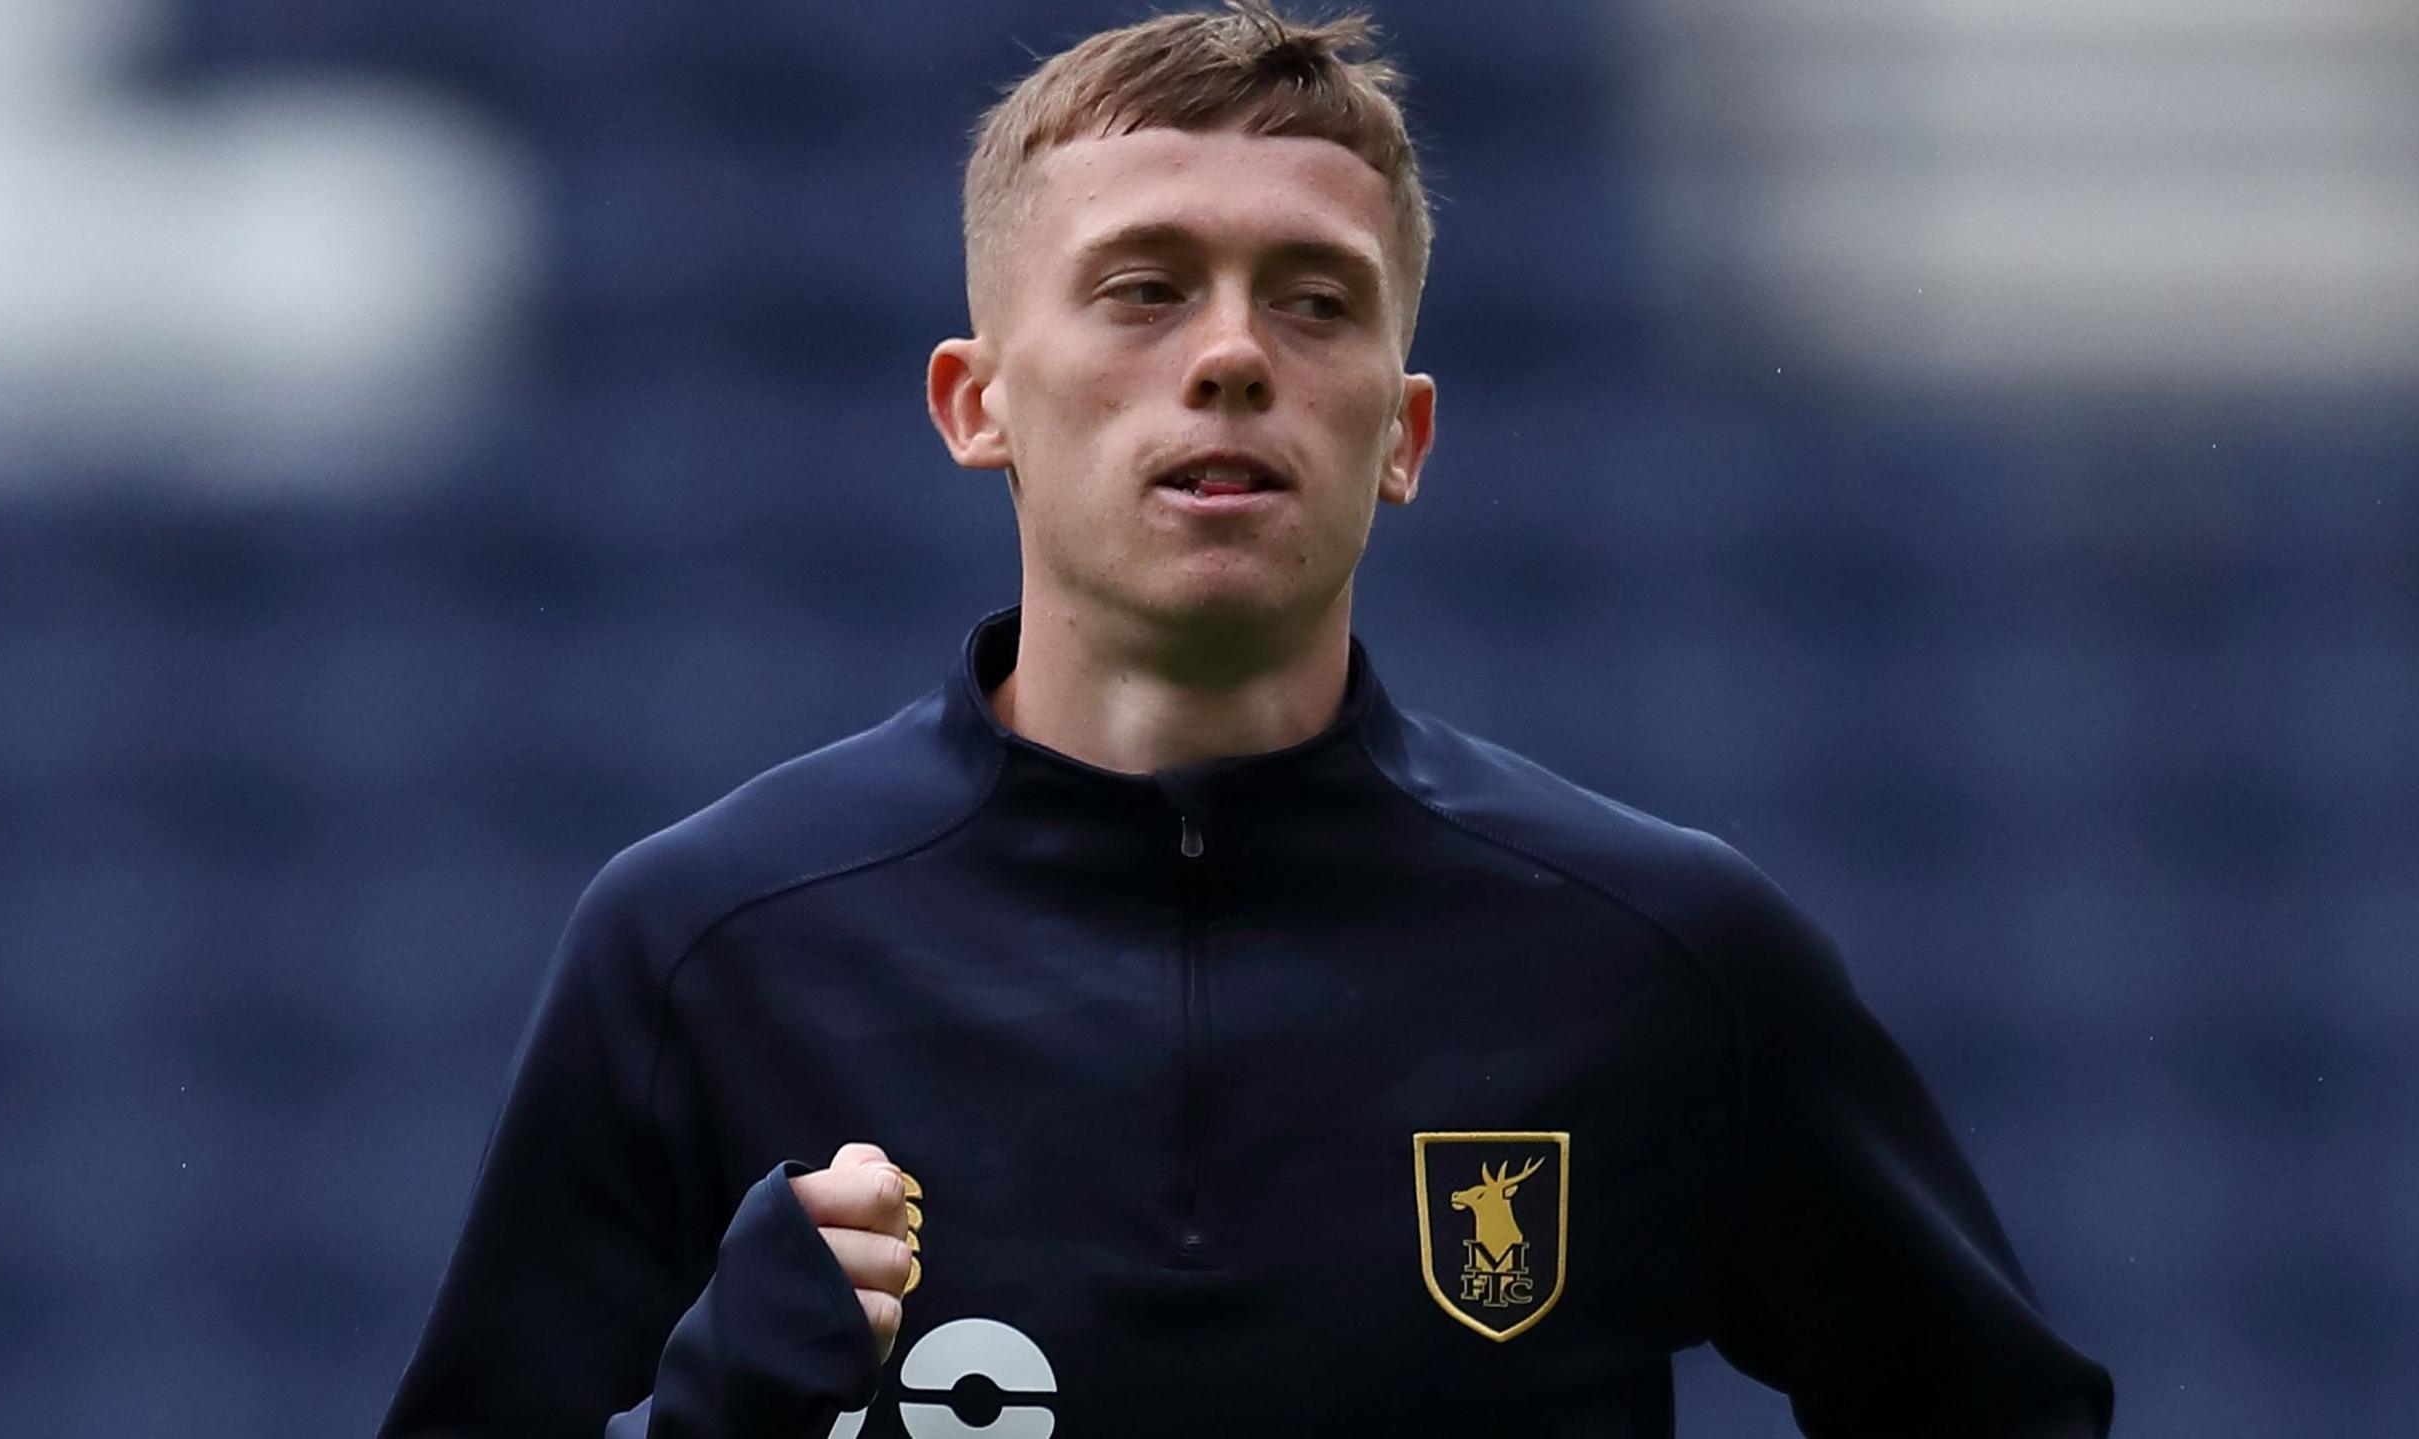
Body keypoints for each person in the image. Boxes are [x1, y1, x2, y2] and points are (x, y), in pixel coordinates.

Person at [379, 4, 2114, 1435]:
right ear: (976, 402)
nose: (1229, 357)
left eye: (1314, 299)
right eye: (1144, 288)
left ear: (1406, 432)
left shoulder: (1666, 956)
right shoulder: (707, 945)